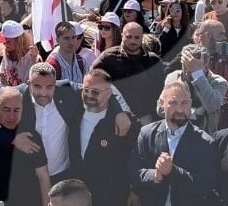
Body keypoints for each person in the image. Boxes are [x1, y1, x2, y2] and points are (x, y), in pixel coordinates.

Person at [130, 81, 216, 206]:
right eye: (173, 103)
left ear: (191, 104)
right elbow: (133, 173)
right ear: (162, 104)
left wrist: (172, 171)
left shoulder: (205, 142)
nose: (179, 109)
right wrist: (155, 175)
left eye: (184, 103)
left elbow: (205, 185)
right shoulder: (147, 134)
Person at [68, 69, 136, 206]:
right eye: (86, 90)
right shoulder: (74, 109)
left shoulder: (124, 122)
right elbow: (48, 83)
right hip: (78, 191)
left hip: (110, 195)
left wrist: (134, 190)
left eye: (95, 92)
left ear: (109, 93)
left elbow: (134, 158)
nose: (89, 95)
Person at [0, 86, 50, 206]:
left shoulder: (30, 136)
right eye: (6, 110)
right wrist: (12, 139)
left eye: (16, 110)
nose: (12, 116)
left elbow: (43, 176)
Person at [93, 21, 164, 123]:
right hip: (116, 118)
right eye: (129, 37)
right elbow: (92, 83)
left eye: (137, 37)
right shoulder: (108, 58)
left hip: (146, 118)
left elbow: (161, 90)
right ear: (122, 35)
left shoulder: (153, 61)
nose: (132, 41)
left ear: (142, 38)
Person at [163, 44, 228, 134]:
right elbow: (161, 109)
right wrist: (194, 113)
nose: (188, 71)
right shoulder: (173, 78)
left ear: (206, 66)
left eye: (192, 67)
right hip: (176, 133)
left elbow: (211, 105)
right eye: (185, 66)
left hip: (204, 134)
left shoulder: (219, 82)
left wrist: (197, 73)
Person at [0, 20, 39, 87]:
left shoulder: (32, 56)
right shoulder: (0, 54)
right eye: (3, 40)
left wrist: (34, 63)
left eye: (8, 41)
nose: (4, 43)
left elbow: (38, 83)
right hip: (3, 92)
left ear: (19, 40)